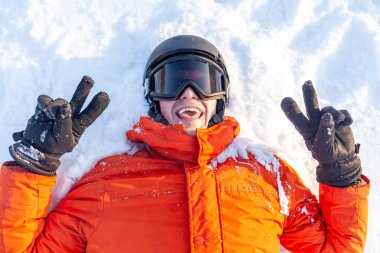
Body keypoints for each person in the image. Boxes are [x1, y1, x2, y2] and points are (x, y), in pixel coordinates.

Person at [0, 35, 369, 253]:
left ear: (219, 98)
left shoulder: (266, 176)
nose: (187, 93)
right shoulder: (107, 182)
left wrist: (341, 175)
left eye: (203, 81)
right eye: (171, 81)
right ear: (153, 98)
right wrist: (36, 162)